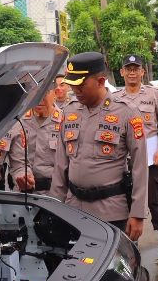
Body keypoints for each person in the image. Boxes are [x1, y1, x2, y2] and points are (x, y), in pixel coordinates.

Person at [49, 52, 148, 240]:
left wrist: (137, 213)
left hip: (111, 211)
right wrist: (55, 207)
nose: (75, 90)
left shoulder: (127, 112)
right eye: (73, 85)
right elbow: (60, 166)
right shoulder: (69, 111)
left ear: (101, 81)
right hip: (74, 209)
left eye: (81, 85)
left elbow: (140, 167)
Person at [115, 55, 158, 256]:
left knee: (155, 200)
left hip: (150, 158)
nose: (132, 72)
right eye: (128, 68)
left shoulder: (154, 94)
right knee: (128, 201)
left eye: (136, 68)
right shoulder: (115, 97)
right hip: (125, 160)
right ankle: (132, 241)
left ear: (142, 71)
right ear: (122, 72)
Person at [22, 86, 63, 194]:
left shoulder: (65, 122)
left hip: (53, 193)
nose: (39, 98)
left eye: (44, 92)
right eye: (35, 93)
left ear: (56, 93)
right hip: (22, 193)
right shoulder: (19, 121)